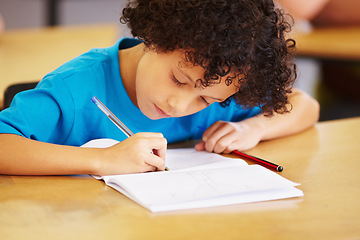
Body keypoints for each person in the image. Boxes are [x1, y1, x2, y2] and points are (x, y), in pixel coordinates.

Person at [0, 0, 319, 176]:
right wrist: (102, 160)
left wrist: (255, 128)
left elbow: (305, 106)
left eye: (205, 99)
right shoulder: (77, 87)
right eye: (178, 80)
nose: (180, 105)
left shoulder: (220, 86)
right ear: (154, 37)